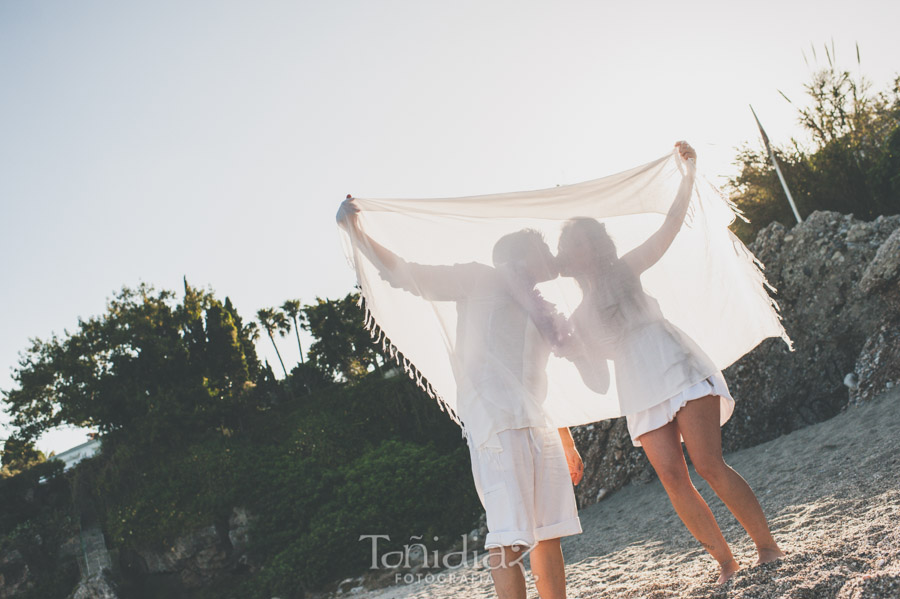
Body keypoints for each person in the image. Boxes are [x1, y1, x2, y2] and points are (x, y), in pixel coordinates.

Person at [556, 141, 785, 585]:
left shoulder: (623, 269)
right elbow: (598, 379)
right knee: (672, 478)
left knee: (708, 463)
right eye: (573, 243)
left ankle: (767, 546)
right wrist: (573, 352)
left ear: (598, 245)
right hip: (636, 383)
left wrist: (688, 175)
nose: (582, 247)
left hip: (672, 361)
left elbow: (671, 226)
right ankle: (725, 562)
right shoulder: (577, 318)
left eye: (586, 240)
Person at [337, 203, 585, 599]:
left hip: (538, 423)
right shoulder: (478, 279)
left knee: (551, 532)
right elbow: (407, 275)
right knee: (510, 537)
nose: (550, 257)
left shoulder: (541, 310)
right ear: (520, 255)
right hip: (496, 423)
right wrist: (358, 233)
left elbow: (541, 381)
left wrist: (566, 439)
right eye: (542, 249)